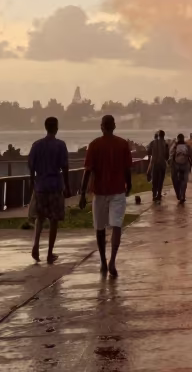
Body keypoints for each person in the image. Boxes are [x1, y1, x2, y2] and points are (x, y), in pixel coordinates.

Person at [78, 115, 133, 277]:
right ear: (114, 126)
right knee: (116, 226)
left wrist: (82, 194)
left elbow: (87, 171)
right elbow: (127, 169)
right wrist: (128, 185)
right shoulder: (123, 144)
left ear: (101, 127)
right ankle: (113, 261)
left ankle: (103, 261)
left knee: (100, 228)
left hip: (99, 192)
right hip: (117, 190)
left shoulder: (94, 145)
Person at [27, 116, 71, 263]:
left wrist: (32, 182)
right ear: (56, 128)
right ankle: (50, 253)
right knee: (54, 220)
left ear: (45, 127)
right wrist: (67, 186)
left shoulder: (36, 145)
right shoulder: (60, 145)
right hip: (55, 185)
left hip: (40, 186)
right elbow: (64, 167)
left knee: (40, 218)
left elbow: (31, 167)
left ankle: (35, 246)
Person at [170, 133, 192, 204]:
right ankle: (183, 195)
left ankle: (178, 194)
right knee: (184, 181)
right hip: (185, 165)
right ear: (183, 138)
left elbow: (171, 155)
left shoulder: (175, 146)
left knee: (175, 180)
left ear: (178, 138)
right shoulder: (187, 146)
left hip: (176, 165)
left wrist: (171, 164)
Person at [147, 130, 169, 202]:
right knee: (161, 180)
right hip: (162, 164)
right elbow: (167, 157)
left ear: (158, 135)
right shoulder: (165, 143)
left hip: (155, 164)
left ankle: (154, 195)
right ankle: (159, 194)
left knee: (154, 180)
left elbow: (148, 151)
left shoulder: (153, 142)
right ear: (164, 135)